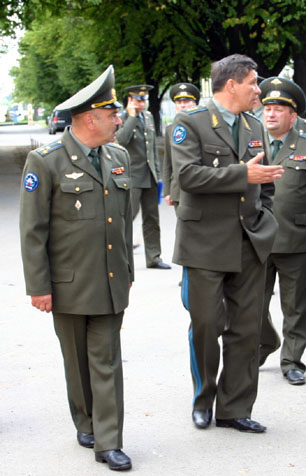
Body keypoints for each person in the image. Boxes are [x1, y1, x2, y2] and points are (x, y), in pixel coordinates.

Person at [19, 65, 134, 470]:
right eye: (112, 114)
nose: (119, 121)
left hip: (109, 279)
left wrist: (127, 271)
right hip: (67, 284)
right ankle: (85, 421)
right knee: (77, 361)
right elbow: (33, 230)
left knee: (106, 360)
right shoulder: (45, 161)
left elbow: (122, 222)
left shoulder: (118, 156)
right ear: (90, 119)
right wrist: (39, 286)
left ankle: (108, 440)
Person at [171, 54, 283, 432]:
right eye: (253, 83)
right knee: (206, 325)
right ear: (232, 84)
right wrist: (241, 174)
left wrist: (265, 221)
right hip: (204, 244)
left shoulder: (254, 125)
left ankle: (235, 407)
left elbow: (265, 182)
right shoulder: (191, 122)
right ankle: (203, 399)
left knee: (246, 329)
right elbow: (187, 176)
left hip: (249, 240)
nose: (258, 90)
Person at [257, 77, 306, 385]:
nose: (271, 114)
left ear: (293, 116)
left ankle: (292, 360)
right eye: (267, 108)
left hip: (295, 238)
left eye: (279, 109)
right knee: (252, 304)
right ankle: (266, 342)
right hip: (256, 240)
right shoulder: (250, 143)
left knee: (296, 306)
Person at [116, 84, 170, 269]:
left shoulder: (147, 117)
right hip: (132, 176)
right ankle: (119, 258)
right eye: (138, 100)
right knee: (127, 217)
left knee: (152, 219)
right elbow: (121, 140)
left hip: (150, 176)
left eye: (144, 100)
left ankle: (154, 257)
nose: (142, 103)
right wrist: (131, 117)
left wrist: (158, 174)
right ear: (130, 100)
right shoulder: (122, 118)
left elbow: (152, 149)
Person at [162, 82, 201, 210]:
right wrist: (167, 190)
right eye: (179, 102)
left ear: (195, 104)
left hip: (201, 186)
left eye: (187, 101)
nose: (182, 105)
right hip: (178, 190)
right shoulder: (171, 129)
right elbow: (168, 161)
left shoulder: (205, 126)